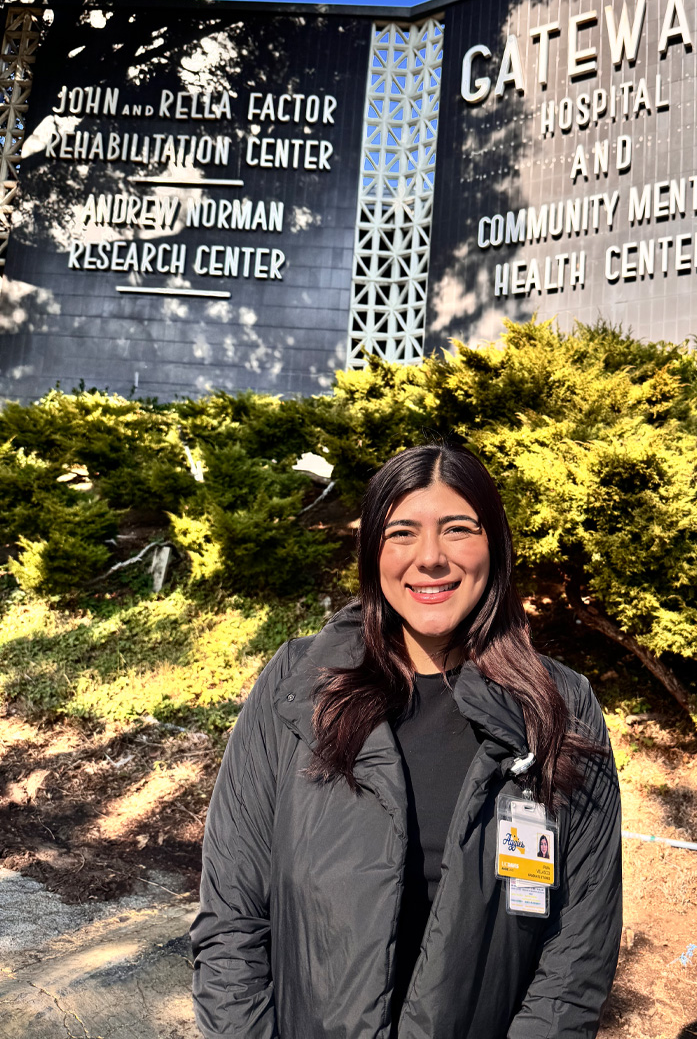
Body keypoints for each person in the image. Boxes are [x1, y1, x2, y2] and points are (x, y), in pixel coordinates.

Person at [191, 443, 622, 1039]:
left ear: (493, 545)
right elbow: (232, 917)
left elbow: (579, 950)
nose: (430, 558)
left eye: (457, 530)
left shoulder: (557, 707)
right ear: (373, 553)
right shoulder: (298, 690)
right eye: (402, 533)